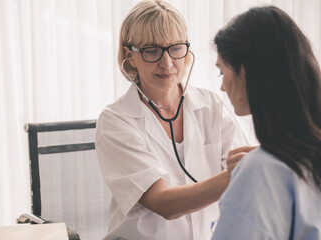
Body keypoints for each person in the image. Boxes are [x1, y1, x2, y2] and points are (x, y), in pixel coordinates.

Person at [95, 1, 253, 239]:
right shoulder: (116, 121)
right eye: (151, 51)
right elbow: (164, 204)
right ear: (130, 55)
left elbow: (247, 182)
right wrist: (239, 173)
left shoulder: (212, 106)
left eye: (175, 48)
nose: (166, 63)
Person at [212, 6, 321, 240]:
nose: (222, 87)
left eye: (222, 72)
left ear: (246, 71)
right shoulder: (309, 156)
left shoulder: (261, 171)